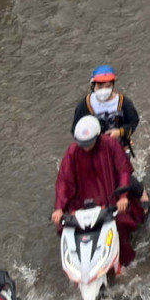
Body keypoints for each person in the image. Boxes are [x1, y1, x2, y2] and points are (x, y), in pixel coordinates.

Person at [52, 115, 144, 262]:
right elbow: (64, 181)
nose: (86, 147)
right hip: (81, 201)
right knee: (65, 228)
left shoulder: (111, 145)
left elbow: (123, 171)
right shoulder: (72, 152)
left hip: (110, 196)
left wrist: (122, 197)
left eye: (89, 143)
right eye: (83, 144)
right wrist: (59, 208)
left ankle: (126, 261)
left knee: (121, 222)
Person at [71, 65, 140, 160]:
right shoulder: (85, 104)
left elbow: (133, 121)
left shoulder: (123, 103)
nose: (103, 90)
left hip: (120, 148)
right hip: (94, 151)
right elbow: (75, 129)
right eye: (100, 86)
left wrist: (119, 132)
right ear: (93, 86)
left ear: (113, 86)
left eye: (108, 86)